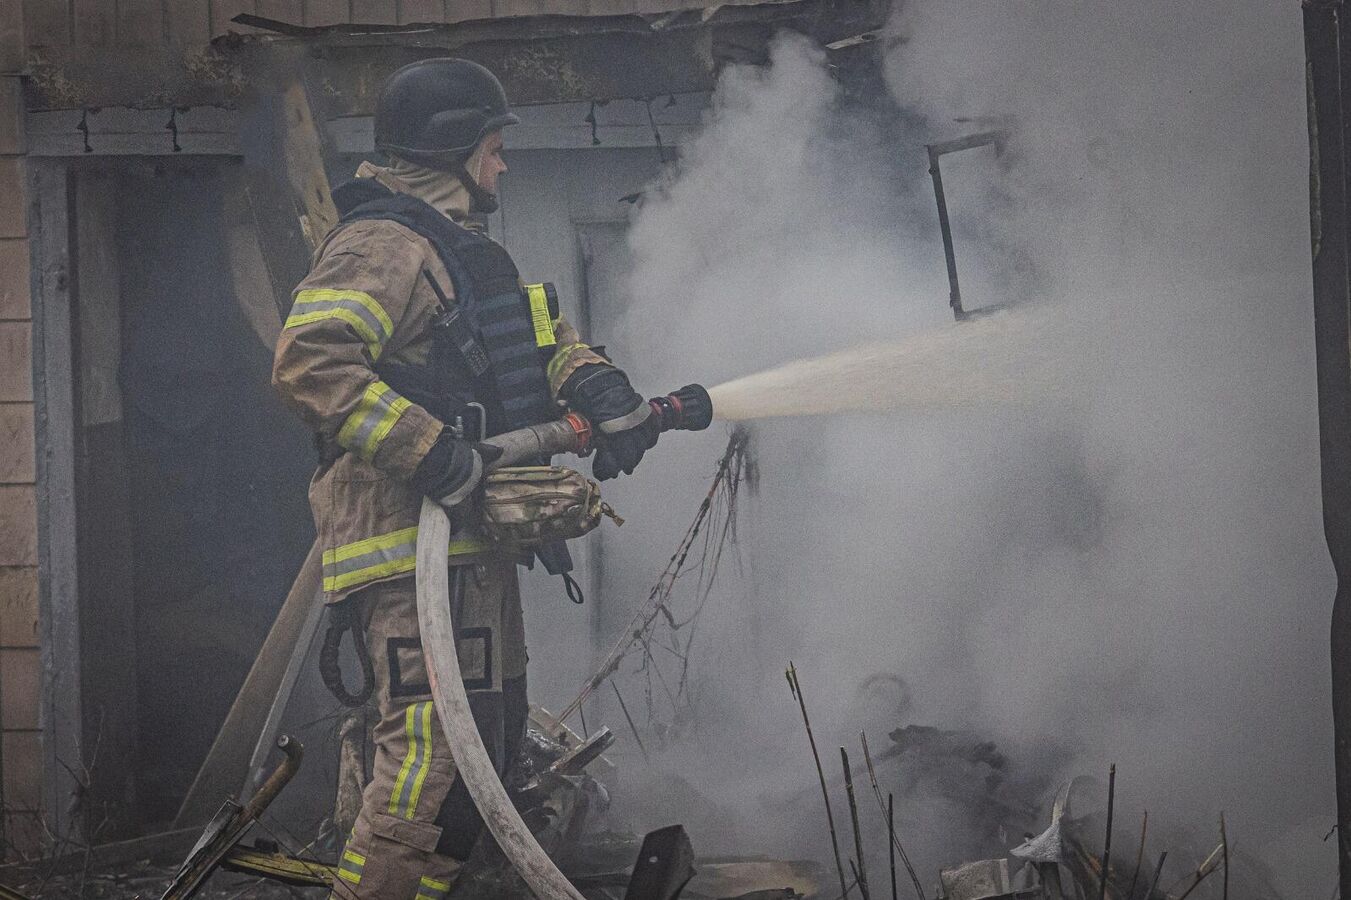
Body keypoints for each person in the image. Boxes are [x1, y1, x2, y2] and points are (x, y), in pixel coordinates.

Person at [271, 57, 659, 898]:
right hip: (406, 545)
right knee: (432, 767)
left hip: (463, 552)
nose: (504, 165)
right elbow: (311, 363)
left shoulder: (463, 252)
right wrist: (435, 454)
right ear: (450, 149)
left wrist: (598, 386)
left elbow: (534, 345)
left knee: (484, 755)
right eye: (493, 146)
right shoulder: (381, 244)